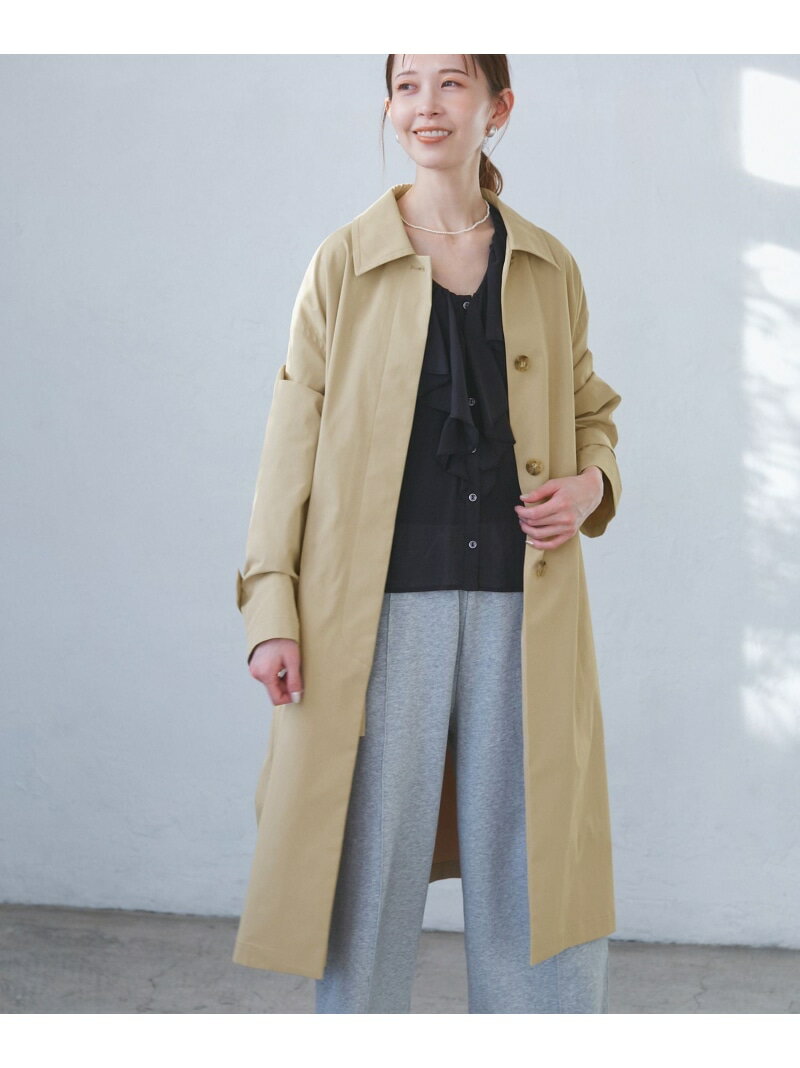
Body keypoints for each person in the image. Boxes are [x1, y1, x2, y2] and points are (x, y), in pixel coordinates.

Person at [234, 54, 622, 1014]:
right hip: (375, 613)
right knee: (364, 875)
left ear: (498, 107)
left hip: (523, 607)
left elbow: (593, 412)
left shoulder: (548, 265)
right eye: (407, 85)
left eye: (452, 83)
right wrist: (271, 609)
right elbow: (289, 447)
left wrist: (591, 484)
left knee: (532, 868)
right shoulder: (344, 262)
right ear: (390, 105)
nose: (426, 106)